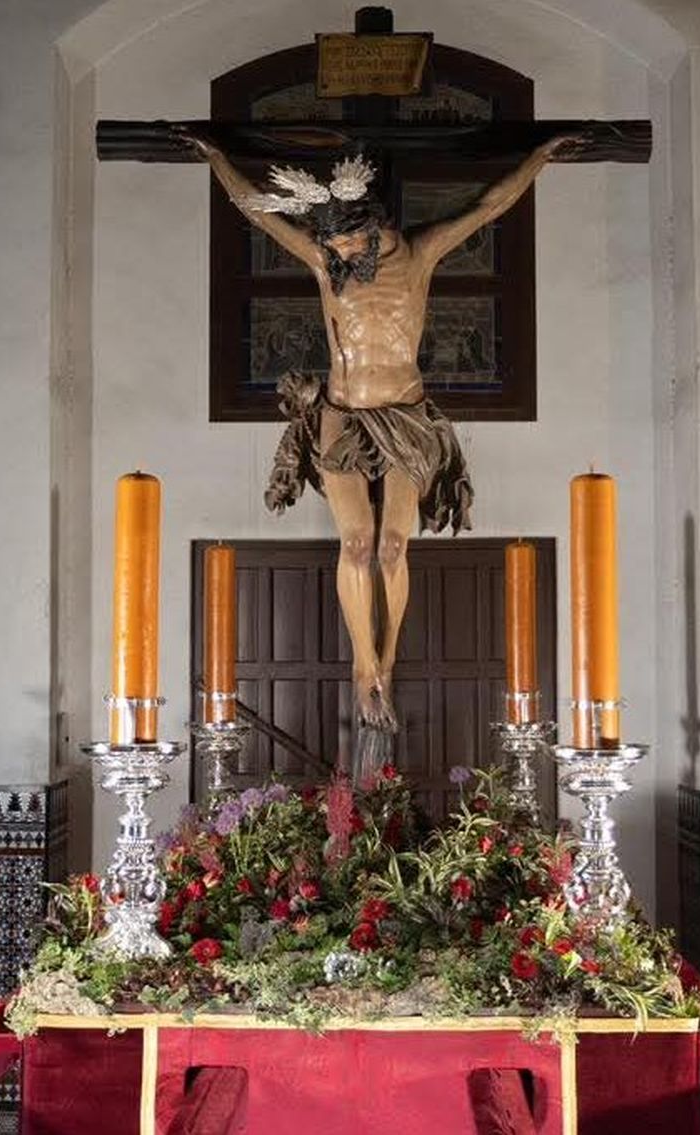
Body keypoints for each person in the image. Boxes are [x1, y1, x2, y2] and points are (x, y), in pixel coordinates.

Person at [187, 132, 579, 741]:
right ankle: (360, 662)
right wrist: (217, 157)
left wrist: (542, 156)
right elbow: (256, 211)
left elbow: (488, 207)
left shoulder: (419, 255)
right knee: (357, 546)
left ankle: (385, 660)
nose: (338, 257)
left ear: (373, 229)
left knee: (394, 546)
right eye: (332, 247)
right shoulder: (325, 261)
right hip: (343, 410)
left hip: (405, 414)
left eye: (347, 245)